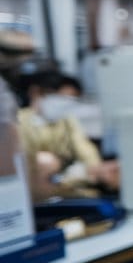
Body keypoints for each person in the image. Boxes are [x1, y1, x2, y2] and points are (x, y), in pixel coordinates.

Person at [15, 69, 119, 201]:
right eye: (61, 99)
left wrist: (95, 170)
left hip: (63, 179)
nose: (65, 105)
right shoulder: (19, 121)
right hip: (31, 181)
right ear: (36, 92)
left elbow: (83, 146)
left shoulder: (67, 120)